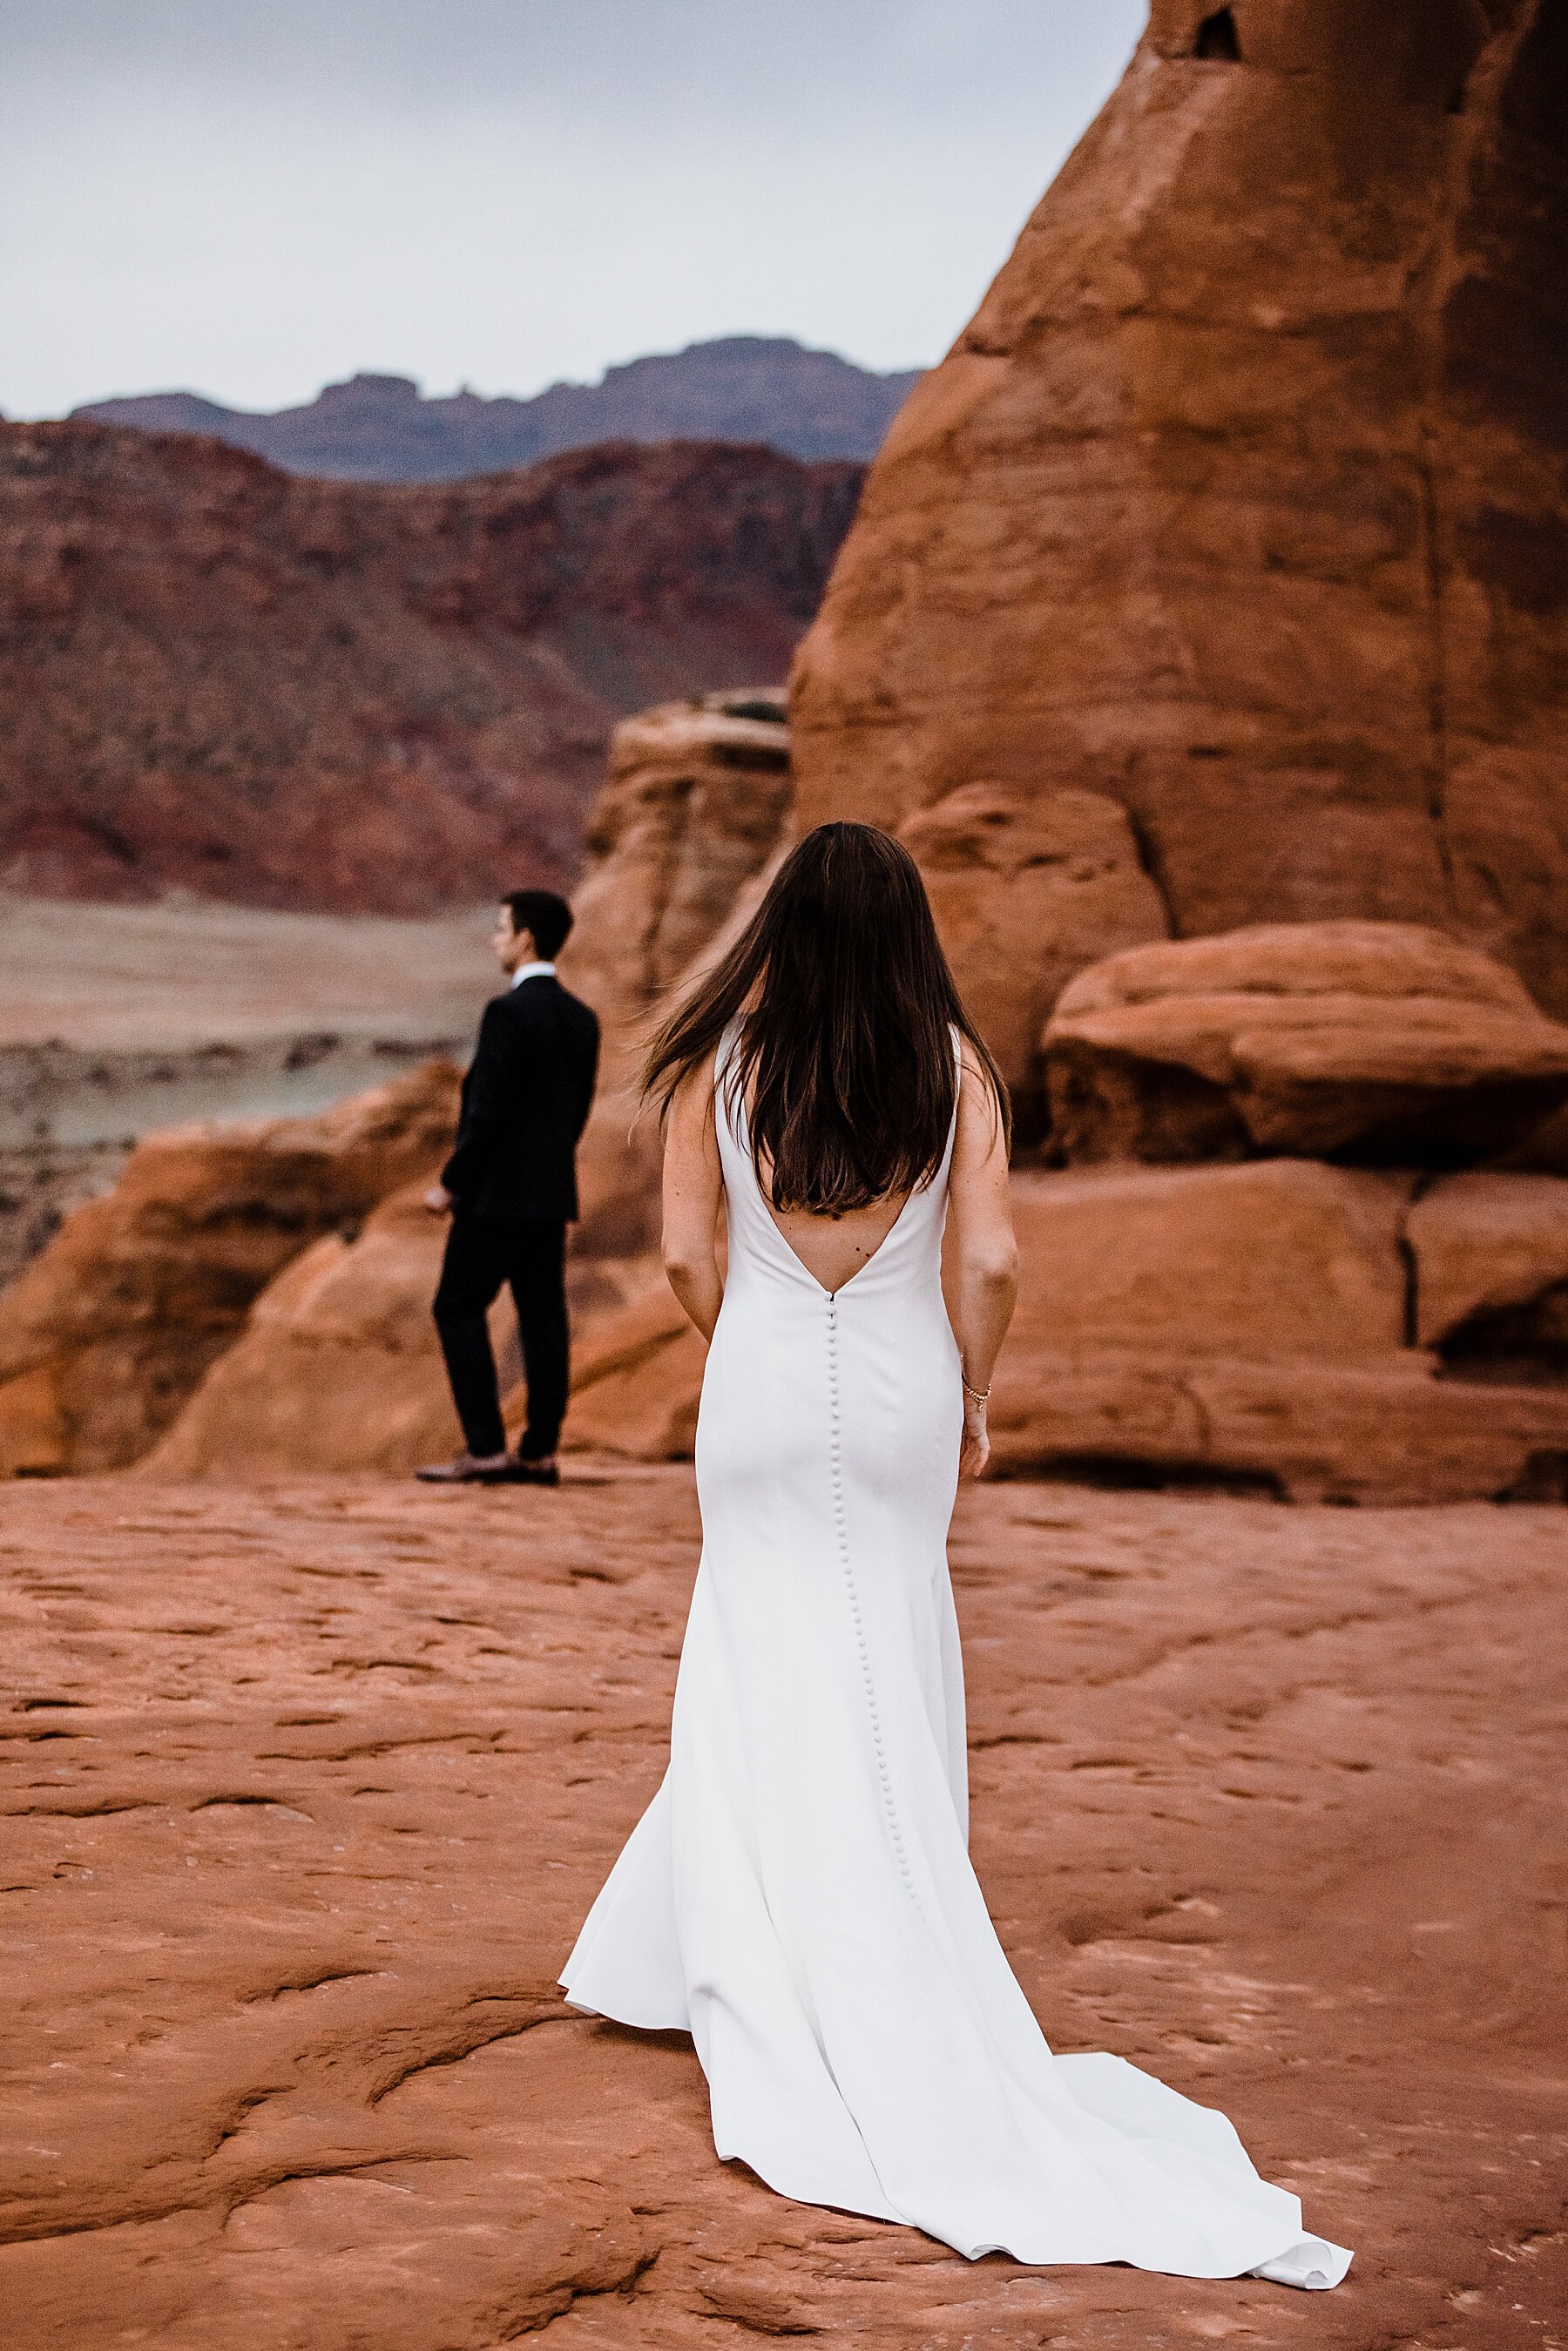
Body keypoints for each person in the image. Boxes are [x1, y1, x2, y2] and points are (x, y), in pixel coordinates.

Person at [560, 823, 1351, 2289]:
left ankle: (746, 1953)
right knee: (884, 1647)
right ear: (911, 929)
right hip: (908, 1396)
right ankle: (862, 1919)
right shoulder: (955, 1070)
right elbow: (986, 1262)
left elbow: (683, 1258)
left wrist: (749, 1340)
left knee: (755, 1646)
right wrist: (976, 1385)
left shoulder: (721, 1072)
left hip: (761, 1385)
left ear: (781, 926)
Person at [417, 888, 599, 1488]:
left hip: (494, 1198)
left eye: (501, 928)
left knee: (457, 1306)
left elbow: (486, 1113)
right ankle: (540, 1450)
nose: (495, 939)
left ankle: (487, 1448)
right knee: (543, 1317)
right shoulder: (582, 1020)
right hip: (548, 1198)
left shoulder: (506, 1014)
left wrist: (452, 1182)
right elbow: (574, 1114)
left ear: (525, 938)